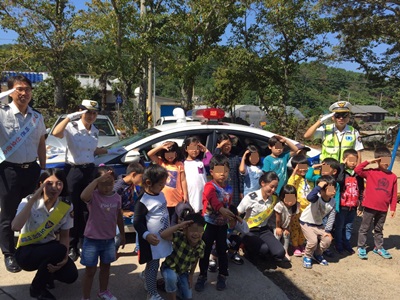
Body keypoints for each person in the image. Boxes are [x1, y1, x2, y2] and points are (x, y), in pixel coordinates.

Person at [52, 100, 115, 261]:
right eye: (88, 112)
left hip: (89, 171)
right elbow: (56, 133)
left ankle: (83, 240)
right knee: (73, 209)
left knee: (88, 208)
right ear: (80, 112)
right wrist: (69, 117)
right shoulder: (71, 126)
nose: (91, 116)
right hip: (73, 171)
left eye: (94, 113)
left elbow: (91, 150)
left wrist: (111, 150)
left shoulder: (94, 130)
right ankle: (71, 245)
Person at [0, 75, 46, 272]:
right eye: (19, 89)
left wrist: (44, 169)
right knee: (8, 215)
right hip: (9, 170)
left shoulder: (37, 117)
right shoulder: (2, 114)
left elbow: (41, 144)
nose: (24, 93)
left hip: (32, 170)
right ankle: (9, 253)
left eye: (27, 89)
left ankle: (28, 247)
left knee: (33, 211)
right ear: (10, 92)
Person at [12, 169, 78, 300]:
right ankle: (37, 289)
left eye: (59, 183)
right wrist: (33, 199)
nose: (55, 188)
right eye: (49, 183)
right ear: (41, 184)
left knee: (71, 275)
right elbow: (15, 226)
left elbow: (65, 235)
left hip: (50, 248)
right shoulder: (28, 201)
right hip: (27, 250)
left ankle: (46, 276)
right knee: (57, 250)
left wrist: (64, 259)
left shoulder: (65, 206)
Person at [80, 166, 125, 300]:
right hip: (92, 240)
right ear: (96, 182)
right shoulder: (93, 196)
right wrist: (97, 180)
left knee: (106, 267)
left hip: (109, 240)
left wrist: (122, 234)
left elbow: (119, 216)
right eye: (103, 183)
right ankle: (86, 297)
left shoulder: (117, 197)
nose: (107, 187)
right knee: (90, 271)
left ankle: (103, 291)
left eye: (110, 183)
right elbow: (83, 196)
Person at [195, 154, 236, 292]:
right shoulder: (209, 186)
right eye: (219, 171)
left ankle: (223, 275)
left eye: (225, 171)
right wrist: (221, 210)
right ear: (211, 172)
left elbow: (228, 205)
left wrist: (230, 217)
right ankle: (202, 275)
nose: (222, 174)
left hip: (222, 225)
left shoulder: (229, 189)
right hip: (209, 224)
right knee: (205, 251)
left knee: (222, 250)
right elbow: (212, 200)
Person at [134, 164, 172, 300]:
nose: (163, 186)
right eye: (160, 184)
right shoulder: (143, 201)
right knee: (153, 265)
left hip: (162, 238)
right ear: (149, 183)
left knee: (154, 263)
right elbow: (137, 222)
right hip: (152, 242)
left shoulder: (160, 194)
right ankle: (152, 292)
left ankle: (145, 275)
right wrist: (146, 235)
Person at [355, 147, 397, 260]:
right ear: (378, 160)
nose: (386, 164)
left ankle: (378, 247)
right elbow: (357, 170)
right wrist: (369, 161)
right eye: (384, 161)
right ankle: (361, 247)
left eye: (388, 160)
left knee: (379, 229)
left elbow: (393, 194)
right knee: (364, 228)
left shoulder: (393, 176)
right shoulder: (371, 172)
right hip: (369, 206)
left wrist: (393, 208)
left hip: (383, 208)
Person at [237, 172, 286, 262]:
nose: (273, 190)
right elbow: (238, 212)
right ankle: (245, 247)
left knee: (280, 253)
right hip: (249, 229)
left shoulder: (273, 199)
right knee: (263, 249)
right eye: (271, 186)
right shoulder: (251, 198)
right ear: (263, 183)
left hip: (264, 229)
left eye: (275, 187)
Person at [160, 213, 205, 300]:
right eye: (192, 230)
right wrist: (179, 225)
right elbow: (163, 235)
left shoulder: (201, 245)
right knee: (171, 278)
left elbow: (195, 260)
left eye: (199, 230)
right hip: (169, 268)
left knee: (187, 297)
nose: (196, 234)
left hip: (183, 273)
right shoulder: (180, 236)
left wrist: (191, 275)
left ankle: (164, 284)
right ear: (185, 230)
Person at [301, 176, 337, 269]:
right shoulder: (316, 198)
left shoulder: (333, 201)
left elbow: (331, 217)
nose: (334, 191)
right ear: (322, 190)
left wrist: (328, 231)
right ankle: (307, 256)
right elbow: (309, 197)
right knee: (313, 241)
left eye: (334, 188)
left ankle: (317, 254)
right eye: (331, 189)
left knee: (327, 240)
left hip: (319, 224)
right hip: (306, 222)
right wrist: (318, 187)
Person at [147, 141, 189, 220]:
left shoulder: (179, 164)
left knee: (173, 222)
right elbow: (150, 154)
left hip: (176, 199)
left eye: (172, 153)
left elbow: (183, 180)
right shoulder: (161, 162)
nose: (170, 156)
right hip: (162, 200)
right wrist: (161, 147)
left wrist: (185, 194)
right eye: (167, 154)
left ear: (176, 153)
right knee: (163, 221)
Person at [334, 149, 364, 254]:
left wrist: (361, 204)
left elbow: (361, 189)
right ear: (345, 159)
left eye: (355, 160)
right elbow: (339, 181)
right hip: (342, 206)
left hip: (353, 206)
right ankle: (338, 244)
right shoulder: (341, 173)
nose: (353, 162)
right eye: (350, 160)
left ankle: (347, 243)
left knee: (349, 226)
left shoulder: (358, 174)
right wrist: (342, 165)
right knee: (339, 226)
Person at [287, 154, 314, 257]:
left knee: (304, 228)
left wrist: (312, 168)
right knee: (295, 228)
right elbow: (289, 185)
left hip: (308, 209)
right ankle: (295, 246)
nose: (303, 170)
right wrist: (295, 171)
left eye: (304, 167)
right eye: (300, 167)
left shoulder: (308, 178)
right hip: (297, 209)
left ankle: (301, 244)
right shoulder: (295, 178)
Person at [182, 136, 212, 213]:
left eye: (197, 148)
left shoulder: (201, 162)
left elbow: (211, 161)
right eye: (192, 148)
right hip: (190, 194)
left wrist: (206, 150)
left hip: (202, 194)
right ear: (186, 149)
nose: (195, 150)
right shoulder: (182, 164)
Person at [213, 133, 243, 206]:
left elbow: (240, 177)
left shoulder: (235, 158)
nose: (227, 147)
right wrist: (218, 148)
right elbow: (213, 161)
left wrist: (241, 192)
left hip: (234, 193)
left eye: (229, 144)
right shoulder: (218, 159)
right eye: (224, 145)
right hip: (221, 193)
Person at [274, 185, 300, 261]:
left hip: (285, 225)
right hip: (276, 225)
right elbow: (277, 219)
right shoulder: (280, 205)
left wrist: (287, 227)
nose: (290, 202)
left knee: (286, 234)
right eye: (288, 198)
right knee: (277, 234)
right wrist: (278, 227)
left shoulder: (296, 206)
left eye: (292, 198)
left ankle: (285, 251)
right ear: (282, 197)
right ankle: (275, 251)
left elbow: (291, 218)